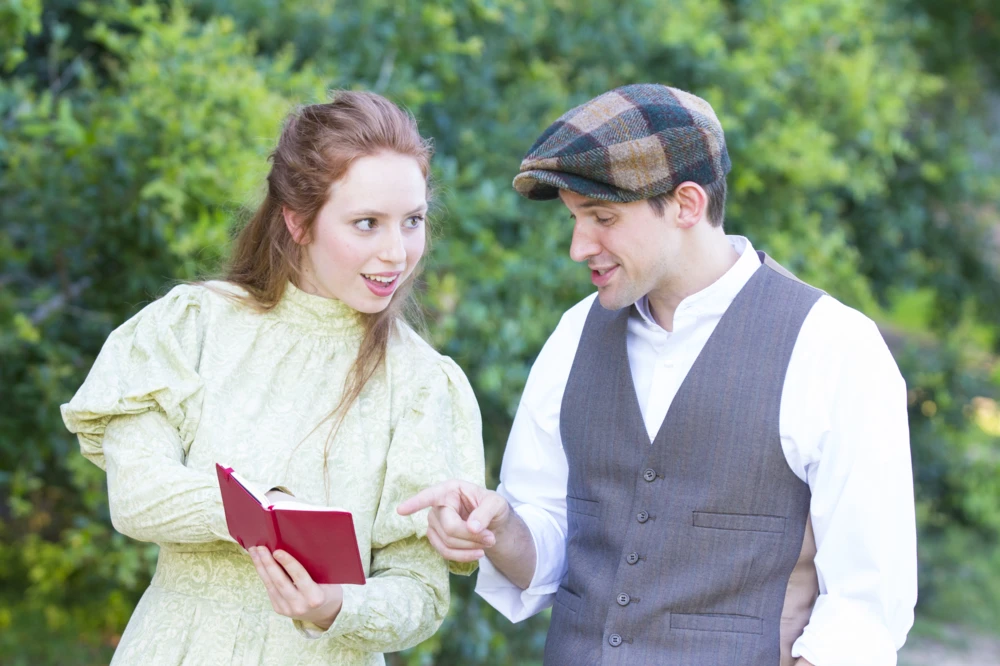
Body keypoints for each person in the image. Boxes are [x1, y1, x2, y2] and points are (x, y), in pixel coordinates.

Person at [398, 84, 918, 665]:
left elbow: (865, 607)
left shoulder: (834, 346)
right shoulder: (575, 333)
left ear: (687, 205)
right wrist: (499, 530)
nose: (578, 246)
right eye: (574, 218)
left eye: (602, 218)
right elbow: (553, 542)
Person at [61, 90, 484, 666]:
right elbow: (136, 495)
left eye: (412, 221)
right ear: (298, 221)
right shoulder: (191, 325)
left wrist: (336, 606)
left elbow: (421, 594)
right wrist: (266, 511)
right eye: (367, 224)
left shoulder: (424, 383)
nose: (396, 252)